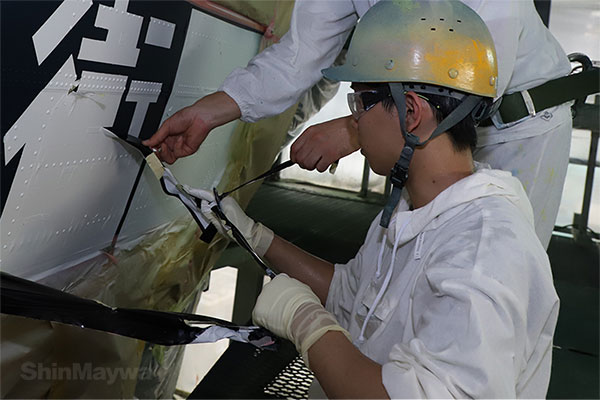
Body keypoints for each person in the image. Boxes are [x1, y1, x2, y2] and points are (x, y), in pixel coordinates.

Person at [187, 2, 559, 397]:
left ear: (411, 113)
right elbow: (353, 294)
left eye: (360, 104)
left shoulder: (485, 255)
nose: (356, 121)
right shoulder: (411, 210)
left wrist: (308, 326)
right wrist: (258, 238)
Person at [144, 0, 572, 249]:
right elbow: (300, 55)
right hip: (420, 117)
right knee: (406, 257)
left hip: (516, 128)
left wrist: (352, 129)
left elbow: (473, 82)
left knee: (487, 265)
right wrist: (212, 110)